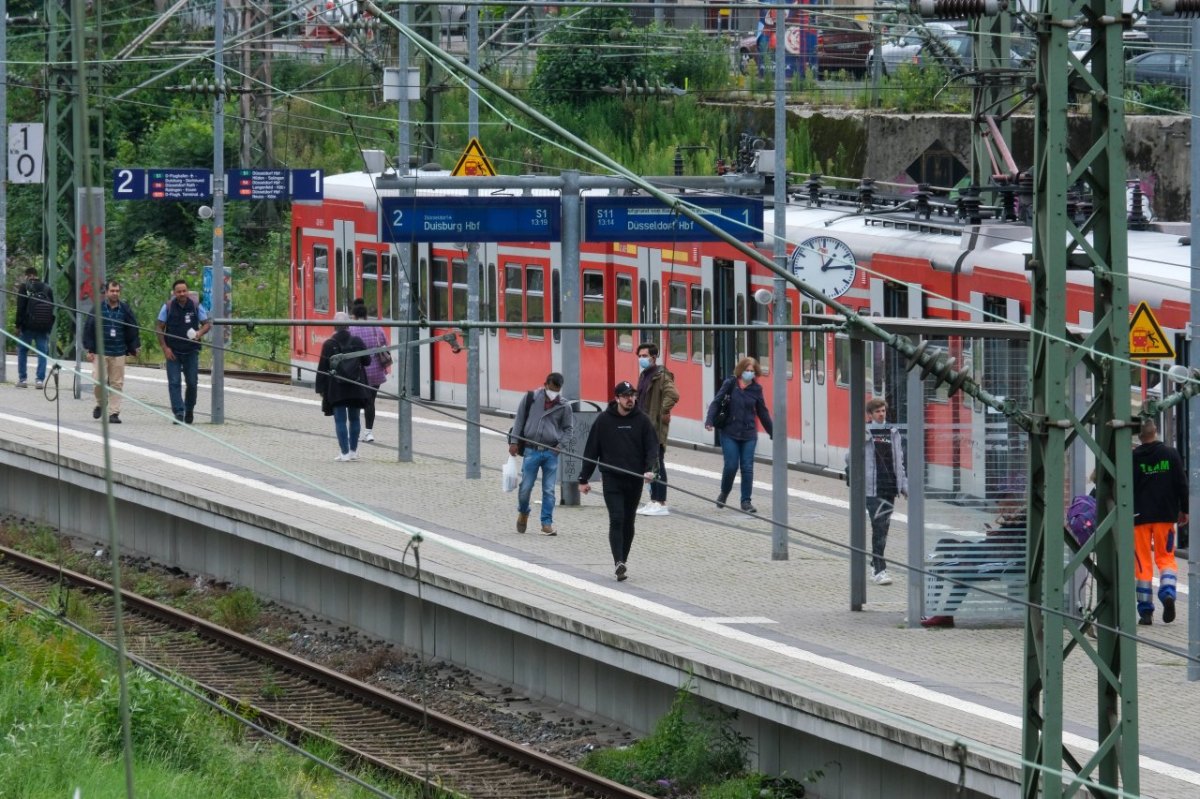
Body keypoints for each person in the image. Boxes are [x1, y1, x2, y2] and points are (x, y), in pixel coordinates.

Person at [578, 381, 659, 582]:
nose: (630, 399)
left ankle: (623, 559)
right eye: (626, 396)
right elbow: (591, 450)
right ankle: (618, 562)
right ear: (617, 398)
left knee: (629, 521)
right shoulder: (604, 421)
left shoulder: (643, 421)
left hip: (634, 479)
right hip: (612, 479)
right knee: (617, 518)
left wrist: (650, 470)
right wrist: (583, 478)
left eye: (632, 395)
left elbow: (652, 449)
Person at [921, 505, 1027, 628]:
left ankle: (944, 615)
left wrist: (1003, 534)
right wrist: (997, 535)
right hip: (993, 551)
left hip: (1007, 560)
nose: (1002, 510)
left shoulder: (1027, 522)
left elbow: (1013, 549)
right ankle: (936, 613)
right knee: (944, 551)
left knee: (966, 571)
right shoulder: (1020, 519)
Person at [1131, 418, 1188, 625]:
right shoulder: (1170, 454)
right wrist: (1185, 510)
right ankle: (1167, 592)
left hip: (1139, 518)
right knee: (1166, 558)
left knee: (1142, 563)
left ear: (1139, 435)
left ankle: (1145, 612)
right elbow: (1182, 483)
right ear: (1155, 430)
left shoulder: (1133, 457)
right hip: (1165, 516)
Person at [704, 356, 773, 514]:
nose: (749, 373)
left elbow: (763, 412)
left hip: (749, 434)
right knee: (731, 466)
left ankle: (746, 501)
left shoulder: (756, 389)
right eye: (747, 370)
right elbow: (716, 402)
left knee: (747, 467)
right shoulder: (730, 384)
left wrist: (773, 432)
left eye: (752, 371)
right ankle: (724, 492)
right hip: (729, 432)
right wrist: (709, 420)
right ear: (741, 370)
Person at [509, 372, 575, 536]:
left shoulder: (564, 406)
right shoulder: (531, 398)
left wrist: (561, 445)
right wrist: (514, 441)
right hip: (531, 450)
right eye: (552, 388)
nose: (554, 392)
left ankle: (546, 523)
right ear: (545, 385)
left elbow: (568, 429)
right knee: (525, 488)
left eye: (558, 389)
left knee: (549, 490)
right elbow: (519, 420)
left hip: (551, 452)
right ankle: (524, 512)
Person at [859, 397, 908, 585]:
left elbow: (899, 462)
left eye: (883, 411)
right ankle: (879, 571)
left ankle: (875, 563)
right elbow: (850, 457)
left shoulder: (893, 432)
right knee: (878, 527)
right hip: (872, 489)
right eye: (877, 411)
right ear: (869, 415)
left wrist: (904, 486)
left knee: (883, 529)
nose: (881, 414)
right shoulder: (863, 432)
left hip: (888, 488)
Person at [82, 281, 141, 424]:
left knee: (117, 383)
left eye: (117, 291)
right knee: (98, 381)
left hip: (119, 351)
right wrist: (89, 349)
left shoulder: (125, 309)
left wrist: (134, 347)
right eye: (112, 291)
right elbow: (89, 328)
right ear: (106, 292)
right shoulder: (98, 308)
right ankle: (101, 403)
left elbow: (132, 328)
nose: (115, 293)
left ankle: (114, 413)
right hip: (100, 352)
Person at [316, 312, 372, 461]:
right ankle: (353, 451)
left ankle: (344, 453)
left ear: (334, 325)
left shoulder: (329, 344)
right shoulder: (357, 341)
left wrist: (321, 389)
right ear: (348, 325)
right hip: (356, 386)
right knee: (355, 419)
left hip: (337, 387)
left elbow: (322, 368)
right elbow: (367, 361)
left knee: (340, 420)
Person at [156, 279, 212, 424]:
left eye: (184, 291)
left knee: (192, 383)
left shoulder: (195, 306)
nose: (182, 294)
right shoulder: (167, 307)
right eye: (179, 291)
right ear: (174, 293)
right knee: (174, 383)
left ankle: (189, 409)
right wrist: (165, 348)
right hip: (173, 352)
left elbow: (206, 324)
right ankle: (179, 412)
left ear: (187, 291)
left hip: (191, 351)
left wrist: (199, 333)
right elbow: (159, 327)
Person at [634, 342, 679, 516]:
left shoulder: (661, 375)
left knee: (657, 463)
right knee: (650, 463)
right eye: (640, 356)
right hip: (645, 425)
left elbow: (673, 394)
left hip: (655, 426)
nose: (641, 359)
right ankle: (653, 500)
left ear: (653, 357)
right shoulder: (645, 375)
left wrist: (662, 411)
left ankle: (661, 502)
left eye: (644, 356)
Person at [348, 299, 388, 443]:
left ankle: (355, 432)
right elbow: (385, 345)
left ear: (353, 315)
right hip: (375, 371)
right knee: (370, 402)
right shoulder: (375, 327)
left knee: (356, 402)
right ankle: (369, 433)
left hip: (358, 372)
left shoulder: (351, 329)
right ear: (365, 315)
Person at [15, 267, 54, 389]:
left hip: (28, 327)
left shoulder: (24, 287)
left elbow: (20, 307)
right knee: (42, 353)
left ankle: (23, 379)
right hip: (43, 327)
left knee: (22, 351)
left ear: (29, 275)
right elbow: (52, 307)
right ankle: (39, 381)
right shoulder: (47, 288)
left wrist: (18, 325)